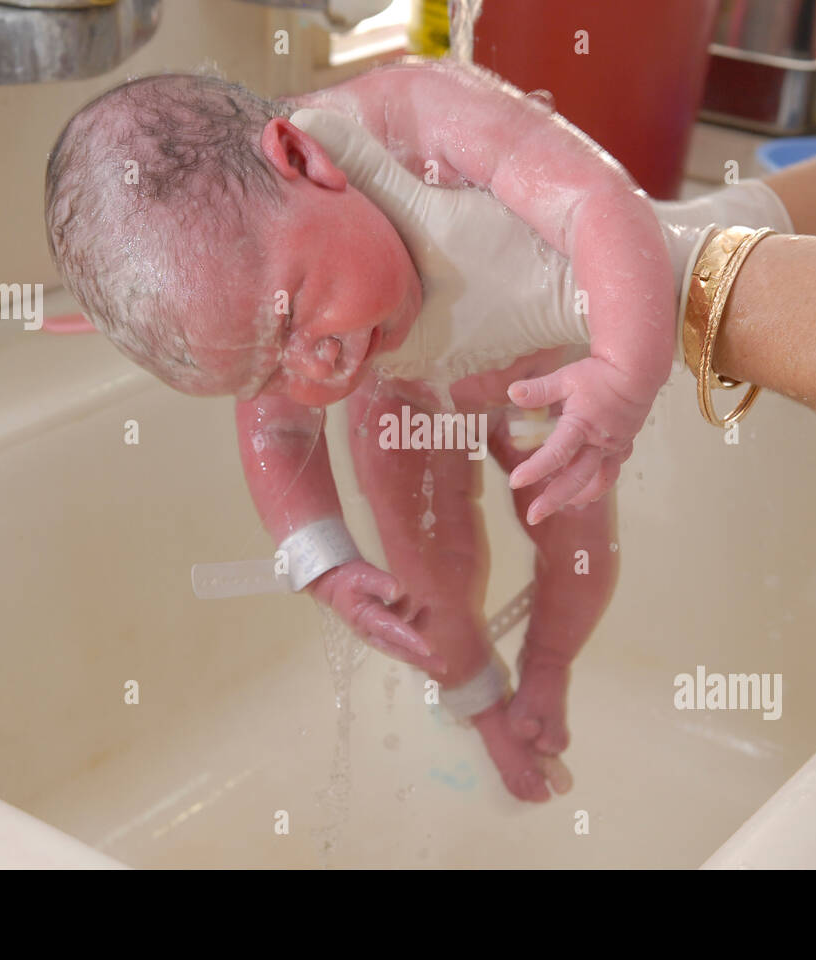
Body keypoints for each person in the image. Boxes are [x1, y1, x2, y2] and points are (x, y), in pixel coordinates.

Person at [44, 62, 674, 802]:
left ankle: (549, 665)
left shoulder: (423, 118)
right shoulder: (293, 317)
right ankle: (489, 717)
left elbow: (600, 203)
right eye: (268, 372)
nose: (317, 372)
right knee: (423, 594)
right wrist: (325, 565)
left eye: (290, 316)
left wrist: (621, 378)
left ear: (306, 160)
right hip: (407, 401)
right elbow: (276, 435)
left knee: (580, 556)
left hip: (550, 381)